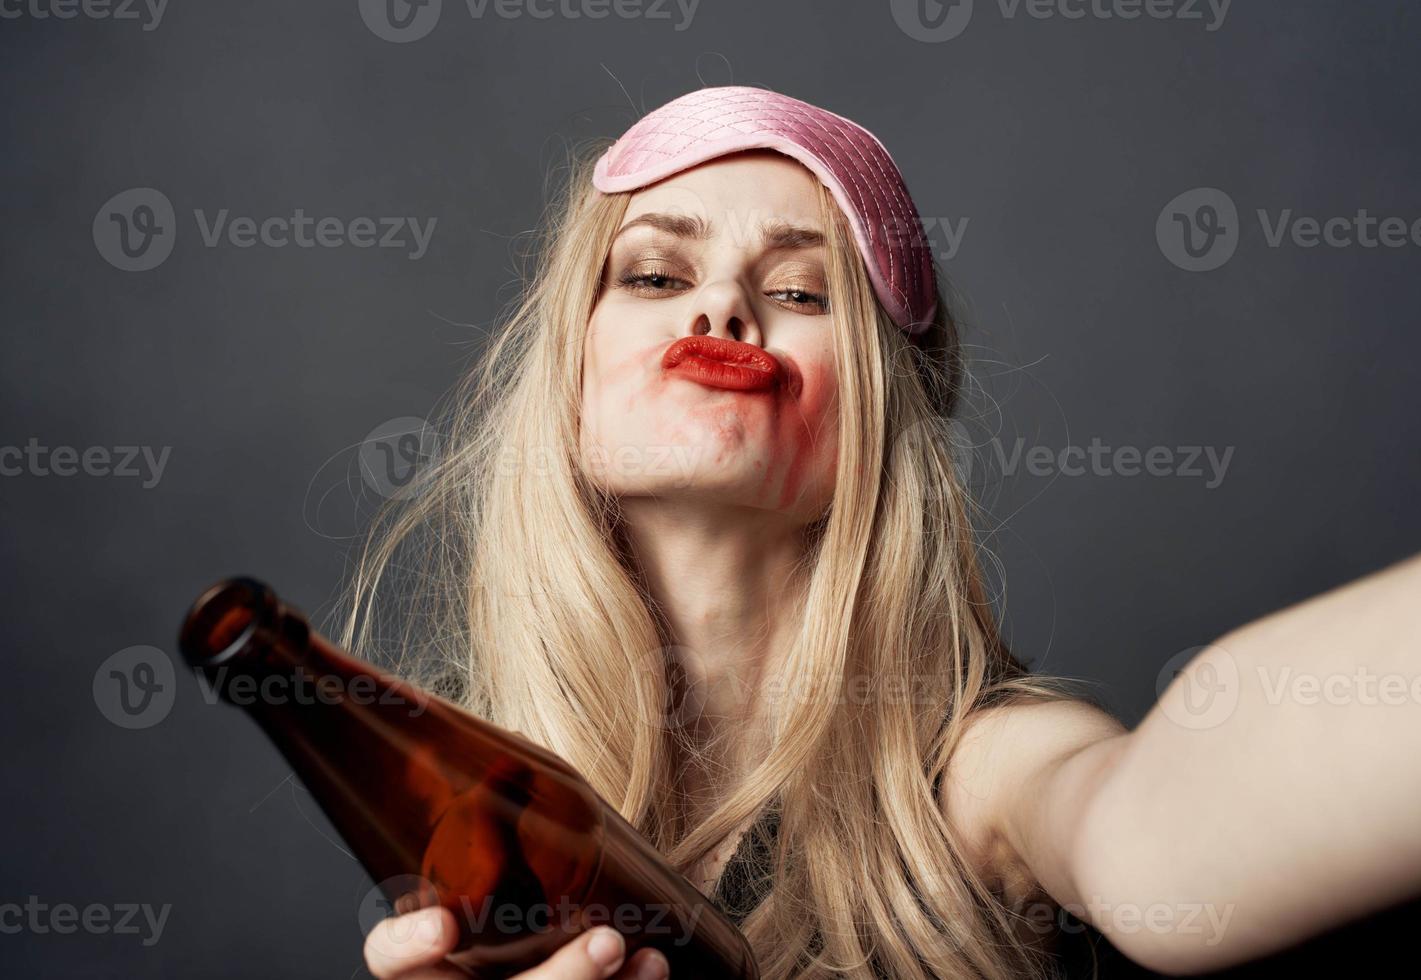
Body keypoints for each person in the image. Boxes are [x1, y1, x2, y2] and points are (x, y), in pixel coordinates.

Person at [350, 86, 1421, 979]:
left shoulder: (974, 776)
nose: (720, 303)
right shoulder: (484, 819)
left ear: (873, 414)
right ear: (570, 375)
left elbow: (1150, 833)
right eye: (654, 275)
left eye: (798, 289)